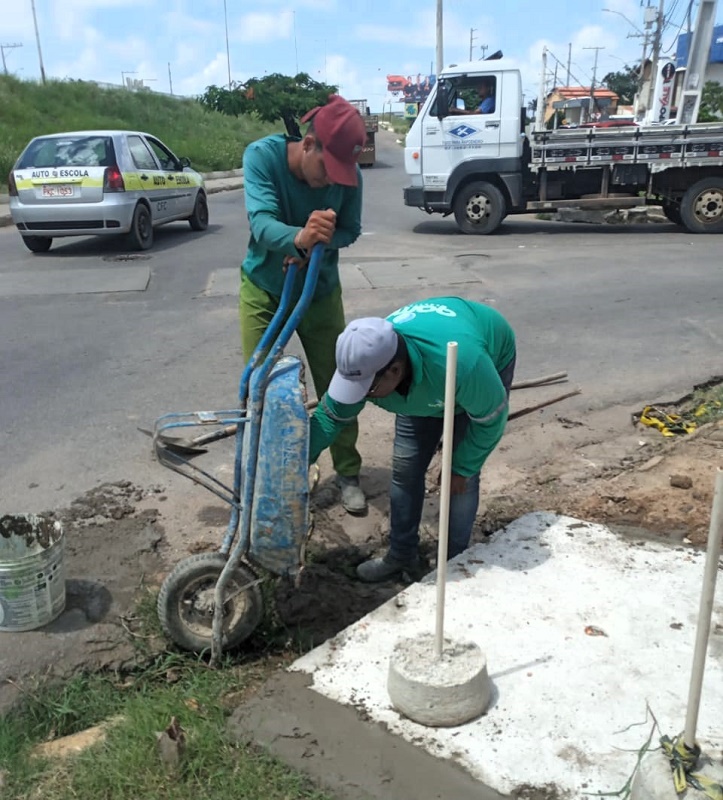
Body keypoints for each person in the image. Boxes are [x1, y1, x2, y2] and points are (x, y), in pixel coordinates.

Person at [309, 297, 516, 582]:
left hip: (477, 358)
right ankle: (401, 555)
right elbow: (330, 418)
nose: (361, 397)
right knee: (406, 469)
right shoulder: (365, 359)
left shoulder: (467, 364)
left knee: (460, 483)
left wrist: (463, 467)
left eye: (366, 389)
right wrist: (297, 460)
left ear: (394, 371)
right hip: (426, 387)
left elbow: (490, 420)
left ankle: (455, 563)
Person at [240, 94, 368, 514]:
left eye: (341, 174)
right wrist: (298, 237)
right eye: (326, 170)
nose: (332, 181)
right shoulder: (262, 157)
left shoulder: (347, 177)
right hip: (265, 287)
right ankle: (264, 478)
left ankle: (347, 471)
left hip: (320, 291)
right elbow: (261, 224)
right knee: (260, 386)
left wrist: (326, 241)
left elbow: (351, 228)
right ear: (309, 144)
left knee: (341, 382)